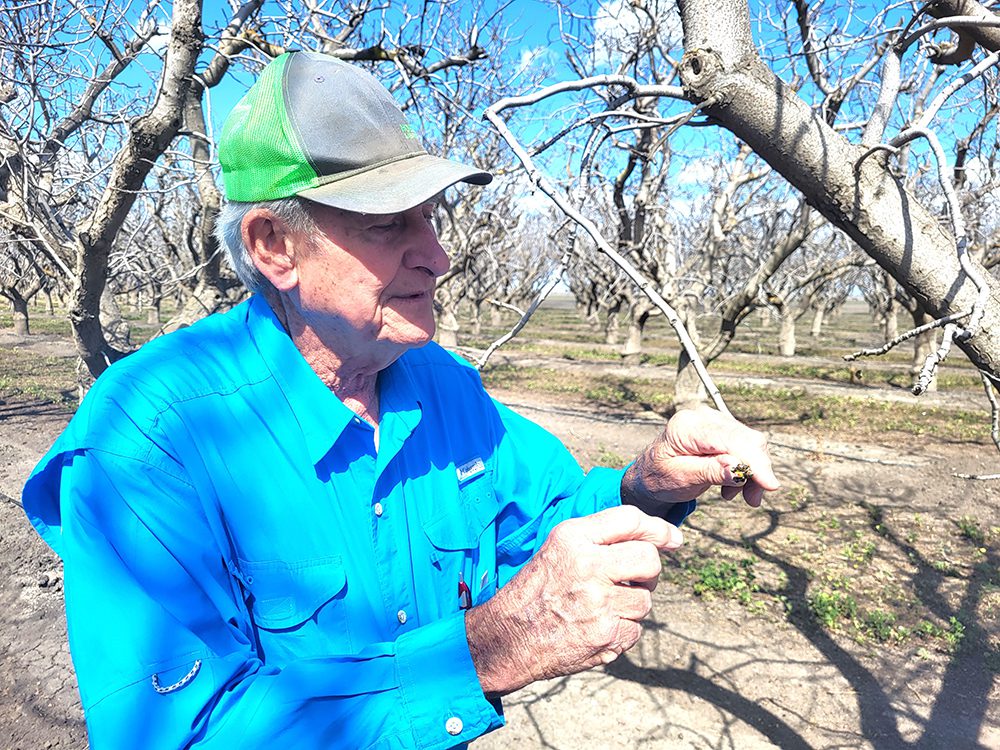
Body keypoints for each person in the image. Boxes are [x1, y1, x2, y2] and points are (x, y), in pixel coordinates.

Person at [21, 51, 778, 749]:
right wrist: (489, 648)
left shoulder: (437, 382)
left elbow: (541, 519)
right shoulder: (149, 443)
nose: (439, 256)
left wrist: (646, 482)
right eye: (389, 225)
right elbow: (176, 735)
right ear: (273, 245)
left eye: (432, 217)